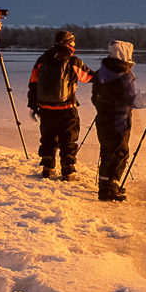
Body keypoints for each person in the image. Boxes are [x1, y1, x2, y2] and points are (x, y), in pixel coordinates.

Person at [90, 40, 146, 202]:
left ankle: (106, 185)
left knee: (107, 151)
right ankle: (110, 187)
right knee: (120, 153)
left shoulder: (100, 73)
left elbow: (95, 97)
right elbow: (134, 101)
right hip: (118, 121)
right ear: (125, 55)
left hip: (103, 118)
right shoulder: (124, 77)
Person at [27, 29, 92, 180]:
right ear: (69, 42)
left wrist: (33, 104)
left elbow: (33, 83)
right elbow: (88, 77)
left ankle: (48, 168)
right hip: (67, 109)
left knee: (48, 139)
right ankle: (68, 170)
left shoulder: (42, 59)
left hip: (45, 108)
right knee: (68, 140)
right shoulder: (73, 60)